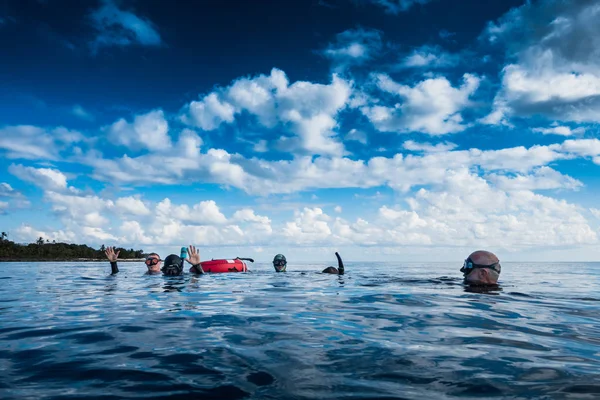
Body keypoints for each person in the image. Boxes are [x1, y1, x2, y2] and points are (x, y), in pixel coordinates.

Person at [105, 245, 202, 276]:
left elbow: (199, 277)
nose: (151, 264)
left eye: (154, 261)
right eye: (148, 261)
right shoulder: (143, 276)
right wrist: (113, 263)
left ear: (160, 262)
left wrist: (197, 265)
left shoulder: (166, 273)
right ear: (146, 264)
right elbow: (115, 276)